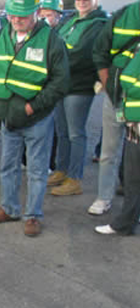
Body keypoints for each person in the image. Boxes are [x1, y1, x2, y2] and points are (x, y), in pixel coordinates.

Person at [0, 0, 69, 237]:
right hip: (8, 118)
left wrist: (34, 107)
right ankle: (9, 208)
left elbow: (60, 82)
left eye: (22, 16)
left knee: (37, 169)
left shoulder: (51, 40)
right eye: (12, 15)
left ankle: (33, 215)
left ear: (36, 13)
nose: (16, 20)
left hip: (37, 119)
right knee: (7, 165)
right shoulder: (0, 36)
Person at [47, 0, 107, 196]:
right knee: (62, 132)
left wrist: (53, 63)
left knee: (76, 133)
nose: (82, 2)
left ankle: (74, 179)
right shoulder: (70, 20)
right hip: (61, 84)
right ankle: (61, 170)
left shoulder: (98, 25)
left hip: (79, 87)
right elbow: (53, 43)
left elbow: (81, 55)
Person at [89, 1, 139, 216]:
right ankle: (104, 197)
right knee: (109, 151)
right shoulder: (122, 15)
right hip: (117, 97)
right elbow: (100, 51)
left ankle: (132, 208)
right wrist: (109, 85)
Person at [95, 47, 140, 236]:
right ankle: (130, 217)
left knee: (133, 176)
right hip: (134, 123)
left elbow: (128, 80)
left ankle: (126, 222)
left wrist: (126, 87)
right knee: (132, 176)